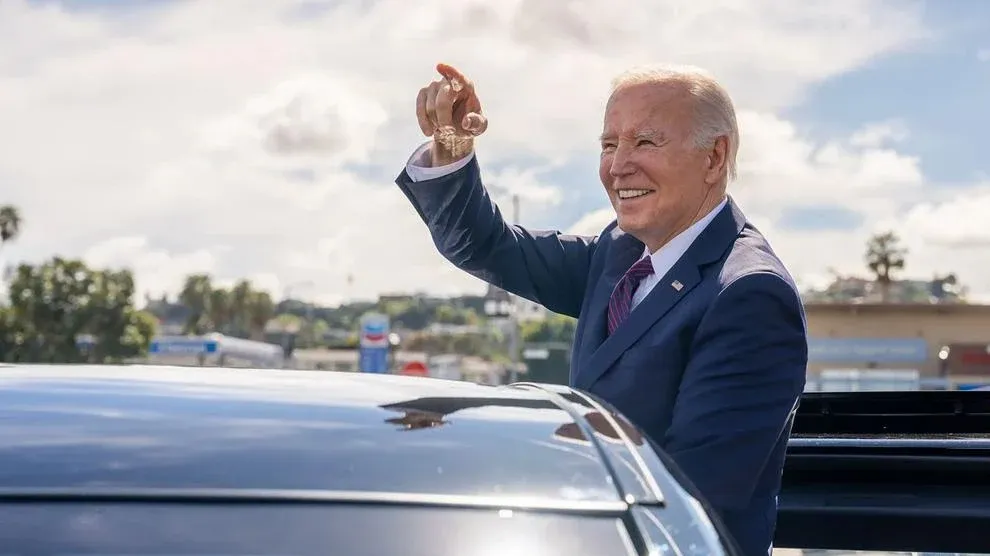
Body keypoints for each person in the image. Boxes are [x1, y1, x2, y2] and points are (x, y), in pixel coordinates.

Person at [394, 62, 808, 555]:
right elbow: (486, 246)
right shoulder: (621, 251)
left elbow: (688, 505)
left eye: (645, 142)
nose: (617, 166)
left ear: (714, 157)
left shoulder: (748, 295)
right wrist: (452, 143)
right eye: (609, 145)